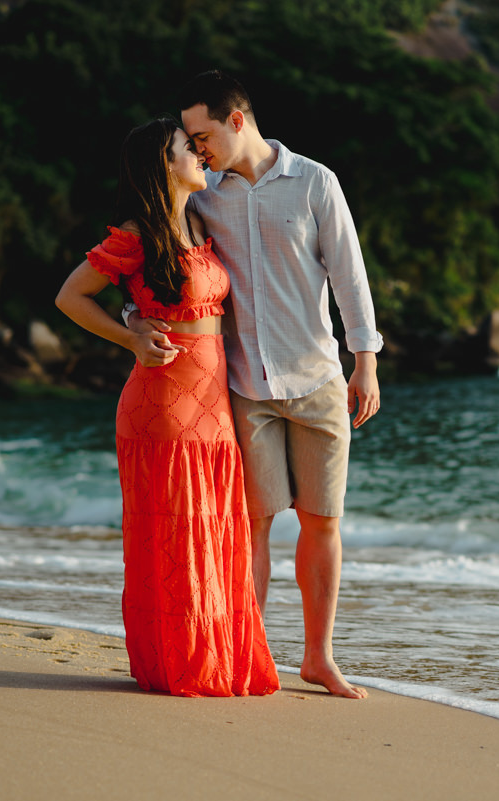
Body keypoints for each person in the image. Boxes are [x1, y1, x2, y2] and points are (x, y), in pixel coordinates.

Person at [128, 71, 383, 699]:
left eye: (202, 133)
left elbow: (350, 277)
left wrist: (366, 360)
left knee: (323, 522)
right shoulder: (202, 196)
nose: (196, 147)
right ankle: (251, 652)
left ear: (236, 120)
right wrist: (135, 321)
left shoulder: (315, 182)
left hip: (318, 379)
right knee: (253, 526)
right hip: (243, 389)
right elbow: (161, 264)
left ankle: (319, 657)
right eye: (189, 138)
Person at [55, 117, 279, 698]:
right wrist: (129, 336)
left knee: (214, 532)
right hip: (163, 407)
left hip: (214, 403)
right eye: (189, 148)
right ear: (164, 166)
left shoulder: (198, 223)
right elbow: (70, 296)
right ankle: (181, 662)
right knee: (179, 537)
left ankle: (213, 657)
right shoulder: (136, 235)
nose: (201, 155)